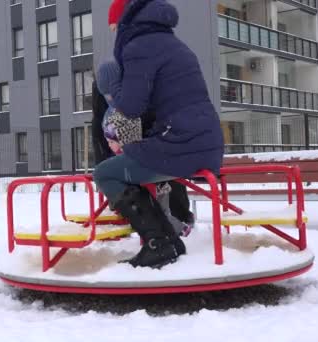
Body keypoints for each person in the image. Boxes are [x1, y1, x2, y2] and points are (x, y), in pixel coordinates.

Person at [92, 0, 224, 269]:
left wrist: (112, 87)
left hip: (180, 142)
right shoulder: (176, 45)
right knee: (131, 164)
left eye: (116, 26)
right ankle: (170, 240)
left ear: (127, 20)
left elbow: (130, 107)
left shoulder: (138, 47)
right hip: (206, 141)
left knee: (106, 173)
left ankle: (157, 242)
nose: (116, 33)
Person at [96, 59, 191, 237]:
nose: (109, 98)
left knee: (158, 207)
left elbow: (126, 137)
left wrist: (116, 143)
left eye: (110, 93)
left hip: (145, 167)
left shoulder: (127, 108)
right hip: (144, 166)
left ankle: (174, 230)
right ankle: (172, 229)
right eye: (106, 95)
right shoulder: (121, 108)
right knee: (157, 205)